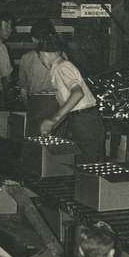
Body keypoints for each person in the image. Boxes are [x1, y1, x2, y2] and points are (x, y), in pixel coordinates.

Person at [37, 34, 105, 163]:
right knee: (85, 164)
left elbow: (77, 94)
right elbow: (69, 104)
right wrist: (53, 125)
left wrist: (53, 119)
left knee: (88, 166)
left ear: (44, 53)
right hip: (83, 120)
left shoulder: (62, 67)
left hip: (85, 122)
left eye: (39, 57)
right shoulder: (61, 67)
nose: (41, 60)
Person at [17, 19, 59, 136]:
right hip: (57, 104)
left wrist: (30, 106)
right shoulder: (61, 56)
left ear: (33, 39)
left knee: (35, 143)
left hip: (37, 104)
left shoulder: (26, 58)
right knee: (55, 144)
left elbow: (23, 91)